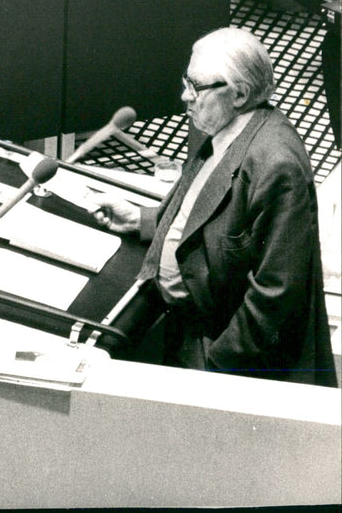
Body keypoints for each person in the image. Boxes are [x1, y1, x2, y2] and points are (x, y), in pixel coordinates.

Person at [95, 27, 336, 386]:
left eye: (196, 87)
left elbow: (275, 297)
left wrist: (214, 368)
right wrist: (145, 220)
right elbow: (203, 211)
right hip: (184, 323)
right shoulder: (227, 128)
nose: (184, 96)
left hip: (222, 357)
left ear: (238, 94)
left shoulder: (276, 165)